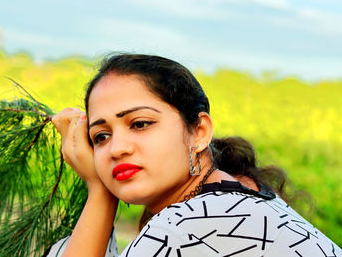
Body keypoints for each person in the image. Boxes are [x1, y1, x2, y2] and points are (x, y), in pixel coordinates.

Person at [47, 54, 341, 256]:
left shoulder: (186, 225)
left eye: (140, 124)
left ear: (199, 131)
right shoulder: (242, 192)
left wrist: (98, 189)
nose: (117, 148)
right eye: (101, 136)